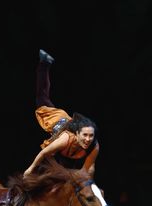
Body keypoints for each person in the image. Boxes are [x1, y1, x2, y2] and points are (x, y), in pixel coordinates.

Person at [24, 49, 99, 178]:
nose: (87, 139)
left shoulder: (94, 146)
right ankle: (44, 63)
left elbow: (89, 169)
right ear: (77, 134)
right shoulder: (65, 140)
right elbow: (44, 154)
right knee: (42, 97)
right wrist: (30, 169)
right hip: (55, 118)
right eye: (85, 135)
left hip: (66, 146)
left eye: (90, 136)